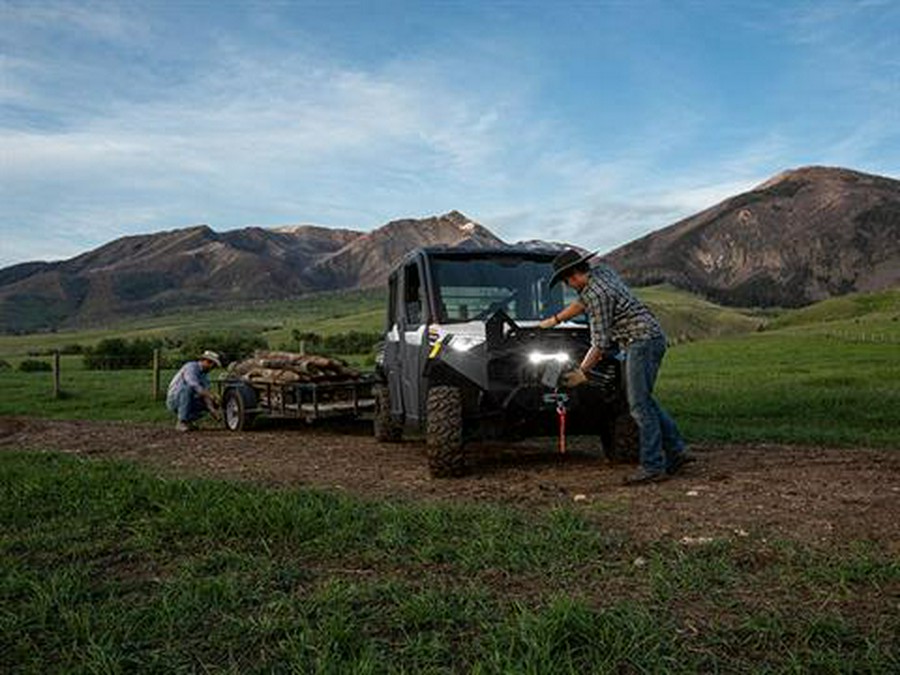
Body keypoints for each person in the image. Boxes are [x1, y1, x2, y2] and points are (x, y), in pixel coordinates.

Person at [539, 249, 691, 484]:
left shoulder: (598, 296)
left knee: (639, 406)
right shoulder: (601, 272)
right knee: (643, 399)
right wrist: (556, 319)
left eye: (566, 280)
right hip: (649, 338)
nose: (567, 286)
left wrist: (582, 372)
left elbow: (599, 344)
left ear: (574, 275)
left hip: (640, 342)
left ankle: (652, 466)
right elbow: (582, 302)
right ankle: (677, 451)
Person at [166, 350, 222, 431]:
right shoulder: (191, 367)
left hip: (188, 399)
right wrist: (210, 395)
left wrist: (212, 410)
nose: (212, 368)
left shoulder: (204, 376)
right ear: (206, 361)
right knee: (188, 389)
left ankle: (189, 421)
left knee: (212, 401)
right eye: (212, 365)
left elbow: (205, 394)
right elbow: (193, 384)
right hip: (175, 399)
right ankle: (182, 422)